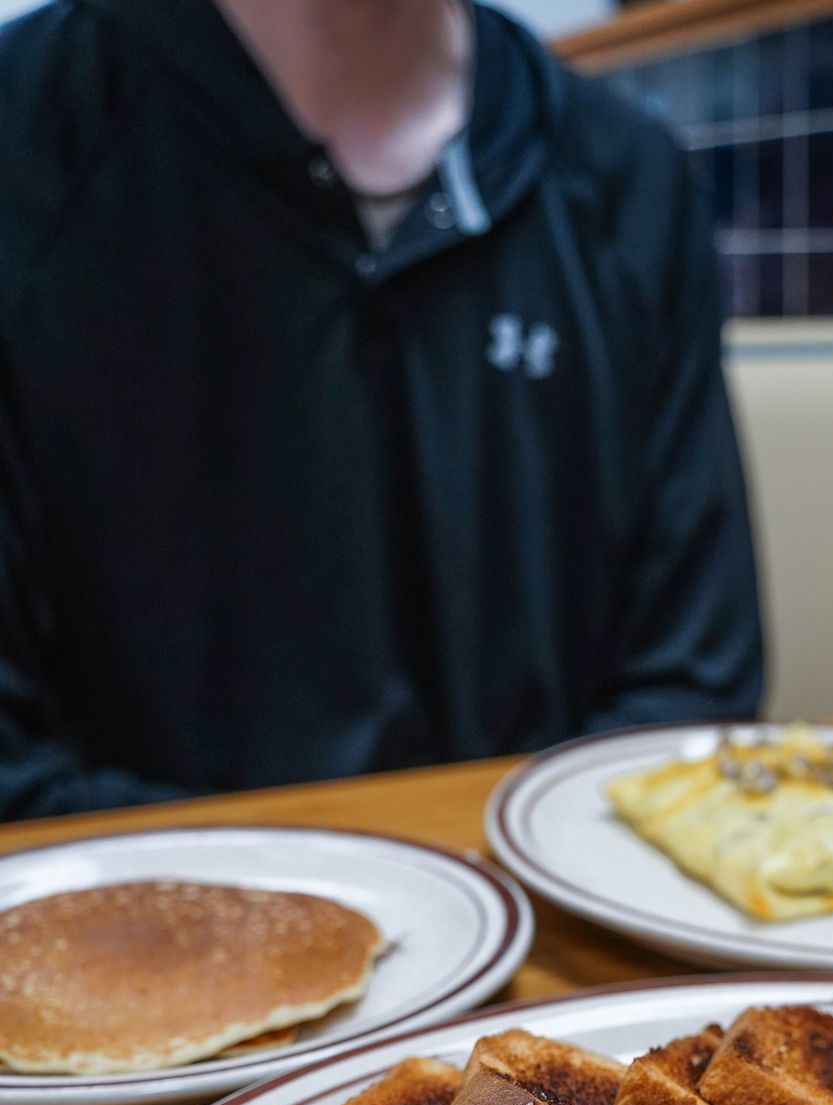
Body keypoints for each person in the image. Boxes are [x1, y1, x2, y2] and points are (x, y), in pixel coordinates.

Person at [0, 0, 764, 819]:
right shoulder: (33, 140)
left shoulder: (625, 177)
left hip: (551, 905)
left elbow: (693, 694)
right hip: (108, 910)